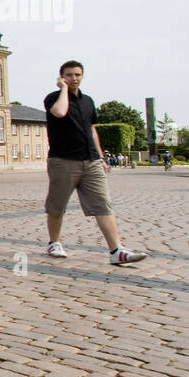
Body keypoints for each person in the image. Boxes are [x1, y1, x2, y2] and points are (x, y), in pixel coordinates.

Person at [43, 61, 147, 265]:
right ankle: (54, 242)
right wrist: (63, 90)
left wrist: (100, 156)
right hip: (63, 160)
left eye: (77, 75)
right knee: (57, 205)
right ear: (61, 76)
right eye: (69, 75)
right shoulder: (53, 98)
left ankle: (116, 250)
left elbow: (92, 130)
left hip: (91, 161)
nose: (74, 78)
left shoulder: (88, 101)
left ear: (82, 76)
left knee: (103, 204)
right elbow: (60, 112)